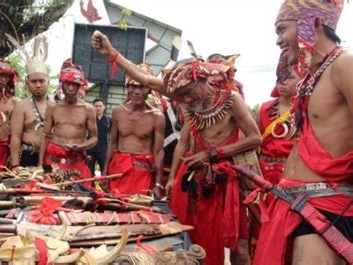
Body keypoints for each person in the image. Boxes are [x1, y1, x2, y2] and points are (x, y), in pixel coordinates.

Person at [92, 32, 261, 265]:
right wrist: (112, 54)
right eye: (181, 97)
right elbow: (148, 80)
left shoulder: (231, 101)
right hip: (192, 177)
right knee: (182, 233)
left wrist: (211, 154)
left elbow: (255, 138)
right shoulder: (184, 93)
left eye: (189, 94)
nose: (186, 101)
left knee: (233, 245)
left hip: (223, 180)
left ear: (200, 80)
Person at [253, 1, 353, 264]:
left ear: (315, 24)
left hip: (327, 208)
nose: (278, 41)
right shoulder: (311, 78)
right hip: (292, 203)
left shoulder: (345, 65)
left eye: (282, 29)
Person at [103, 64, 165, 197]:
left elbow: (158, 152)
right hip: (118, 171)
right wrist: (104, 173)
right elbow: (112, 144)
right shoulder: (118, 111)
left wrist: (158, 184)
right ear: (127, 88)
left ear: (149, 89)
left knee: (140, 213)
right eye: (133, 86)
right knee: (114, 210)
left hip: (143, 174)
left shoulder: (157, 116)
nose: (137, 92)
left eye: (142, 87)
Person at [39, 59, 97, 184]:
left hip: (77, 163)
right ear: (62, 84)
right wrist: (40, 164)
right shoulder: (53, 107)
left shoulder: (88, 109)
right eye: (67, 84)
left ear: (79, 86)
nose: (70, 88)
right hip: (53, 163)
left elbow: (94, 138)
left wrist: (81, 146)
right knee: (50, 197)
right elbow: (45, 136)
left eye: (74, 84)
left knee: (78, 199)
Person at [256, 56, 301, 188]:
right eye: (280, 78)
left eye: (290, 78)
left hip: (293, 171)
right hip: (264, 172)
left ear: (302, 80)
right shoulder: (264, 108)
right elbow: (254, 140)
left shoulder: (307, 109)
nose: (283, 82)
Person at [10, 43, 51, 170]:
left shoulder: (56, 106)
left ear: (48, 81)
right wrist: (15, 164)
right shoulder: (21, 106)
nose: (38, 85)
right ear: (27, 83)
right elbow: (16, 137)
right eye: (34, 81)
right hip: (27, 156)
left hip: (49, 157)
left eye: (41, 81)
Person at [87, 98, 111, 176]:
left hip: (104, 149)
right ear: (93, 107)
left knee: (105, 170)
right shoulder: (89, 119)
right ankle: (90, 187)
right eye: (96, 106)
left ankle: (105, 187)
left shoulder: (108, 120)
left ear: (104, 107)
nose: (98, 108)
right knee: (89, 171)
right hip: (90, 149)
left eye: (100, 106)